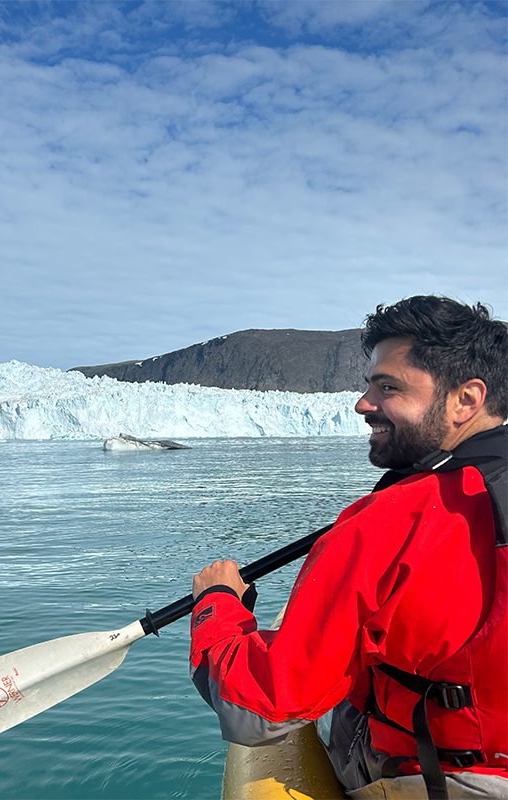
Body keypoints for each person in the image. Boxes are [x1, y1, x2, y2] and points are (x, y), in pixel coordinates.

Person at [189, 296, 507, 800]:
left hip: (443, 780)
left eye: (388, 387)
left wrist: (218, 608)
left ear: (465, 400)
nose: (363, 403)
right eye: (368, 385)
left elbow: (260, 711)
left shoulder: (390, 522)